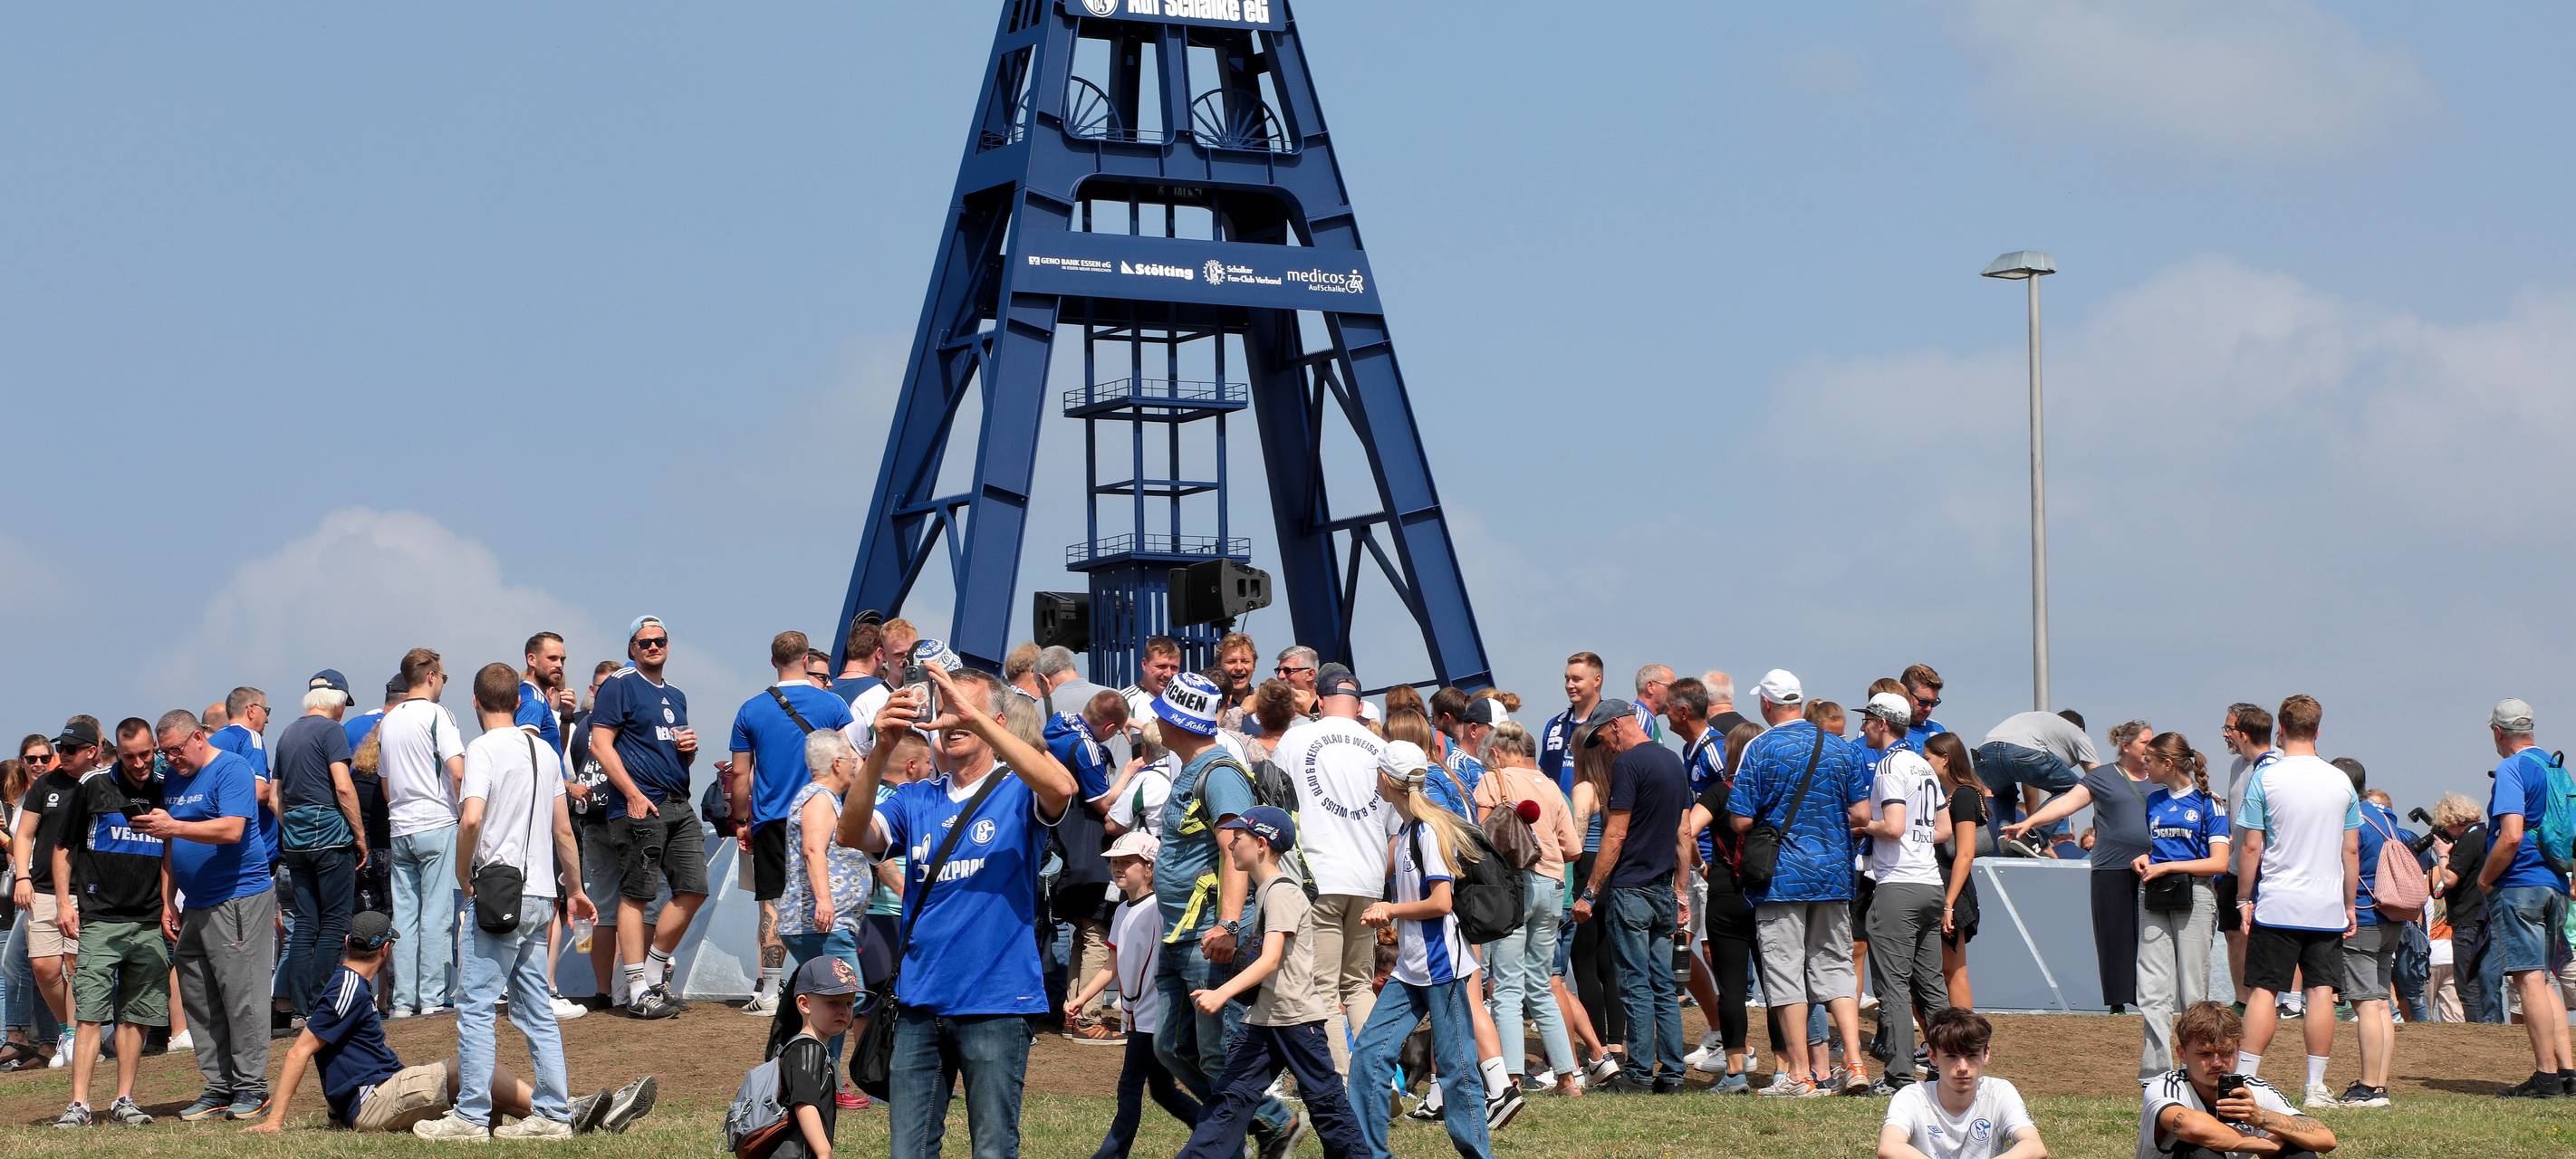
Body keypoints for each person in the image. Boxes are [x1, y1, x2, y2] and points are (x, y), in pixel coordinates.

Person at [839, 662, 1079, 1159]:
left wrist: (974, 715)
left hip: (995, 1002)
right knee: (909, 1150)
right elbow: (851, 833)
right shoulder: (914, 797)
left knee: (992, 1148)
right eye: (942, 711)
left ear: (996, 723)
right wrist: (880, 747)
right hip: (920, 1003)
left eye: (961, 712)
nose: (949, 722)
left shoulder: (1017, 788)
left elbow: (1062, 788)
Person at [246, 912, 654, 1136]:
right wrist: (275, 1122)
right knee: (473, 1069)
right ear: (386, 949)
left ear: (348, 944)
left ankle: (584, 1118)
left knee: (491, 1099)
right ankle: (570, 1110)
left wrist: (337, 1111)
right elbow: (300, 1050)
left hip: (371, 1097)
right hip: (374, 1100)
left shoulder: (350, 984)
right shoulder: (348, 988)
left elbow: (337, 1058)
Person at [411, 662, 596, 1140]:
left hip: (495, 895)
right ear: (518, 702)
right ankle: (553, 1113)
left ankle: (471, 1115)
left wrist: (462, 872)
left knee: (473, 1004)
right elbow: (562, 830)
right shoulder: (544, 751)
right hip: (540, 894)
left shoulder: (481, 749)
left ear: (475, 703)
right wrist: (574, 890)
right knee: (535, 1007)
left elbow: (471, 818)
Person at [1170, 806, 1359, 1157]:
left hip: (1297, 1020)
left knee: (1326, 1105)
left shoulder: (1282, 892)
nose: (1230, 845)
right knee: (1231, 1096)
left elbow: (1270, 959)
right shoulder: (1267, 892)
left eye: (1237, 838)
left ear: (1260, 844)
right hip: (1265, 1018)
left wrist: (1222, 993)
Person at [1349, 742, 1497, 1159]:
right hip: (1411, 968)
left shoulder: (1429, 830)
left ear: (1386, 779)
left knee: (1457, 1071)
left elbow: (1441, 903)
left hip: (1442, 966)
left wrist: (1389, 909)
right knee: (1368, 1057)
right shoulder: (1408, 828)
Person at [1727, 669, 1870, 1096]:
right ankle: (1856, 1063)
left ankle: (1800, 1074)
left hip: (1781, 878)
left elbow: (1741, 819)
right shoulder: (1840, 748)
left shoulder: (1760, 747)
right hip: (1833, 874)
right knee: (1836, 968)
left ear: (1767, 704)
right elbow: (1862, 815)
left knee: (1785, 972)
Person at [140, 708, 276, 1122]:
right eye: (164, 754)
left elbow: (232, 829)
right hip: (195, 904)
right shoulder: (175, 779)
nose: (170, 760)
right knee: (200, 998)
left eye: (175, 750)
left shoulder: (231, 769)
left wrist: (175, 828)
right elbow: (170, 848)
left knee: (241, 996)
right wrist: (168, 900)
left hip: (238, 899)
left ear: (198, 737)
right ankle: (219, 1087)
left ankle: (252, 1088)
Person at [2229, 694, 2358, 1109]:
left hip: (2279, 900)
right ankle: (2316, 1086)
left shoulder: (2264, 779)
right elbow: (2350, 851)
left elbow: (2251, 847)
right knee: (2322, 993)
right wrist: (2349, 905)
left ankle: (2246, 1077)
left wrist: (2244, 898)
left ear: (2280, 730)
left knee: (2264, 990)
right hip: (2325, 904)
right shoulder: (2341, 781)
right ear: (2319, 730)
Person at [1266, 662, 1391, 1075]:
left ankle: (1342, 1082)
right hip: (1368, 879)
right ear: (1357, 705)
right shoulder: (1381, 750)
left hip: (1317, 876)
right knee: (1358, 985)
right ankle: (1381, 1081)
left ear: (1319, 700)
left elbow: (1279, 806)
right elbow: (1392, 827)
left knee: (1322, 987)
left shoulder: (1297, 739)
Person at [730, 631, 859, 1017]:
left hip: (771, 818)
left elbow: (740, 775)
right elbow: (850, 758)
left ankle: (770, 989)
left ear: (773, 662)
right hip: (823, 811)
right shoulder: (832, 704)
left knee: (772, 902)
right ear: (807, 660)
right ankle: (829, 979)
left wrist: (741, 819)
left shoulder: (750, 709)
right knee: (824, 894)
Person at [51, 717, 169, 1128]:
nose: (139, 764)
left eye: (145, 755)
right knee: (89, 1013)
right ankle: (79, 1104)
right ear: (116, 751)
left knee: (135, 1014)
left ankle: (124, 1099)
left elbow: (169, 851)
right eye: (130, 756)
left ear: (154, 748)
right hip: (100, 918)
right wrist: (65, 903)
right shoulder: (93, 786)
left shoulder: (163, 788)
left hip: (149, 919)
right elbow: (63, 848)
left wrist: (168, 905)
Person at [1572, 695, 1692, 1094]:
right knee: (1663, 984)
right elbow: (1683, 834)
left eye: (1602, 737)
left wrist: (1590, 891)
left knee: (1634, 983)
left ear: (1618, 725)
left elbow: (1616, 832)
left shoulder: (1628, 764)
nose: (1604, 747)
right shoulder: (1673, 761)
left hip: (1631, 890)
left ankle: (1639, 1074)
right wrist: (1680, 891)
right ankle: (1672, 1074)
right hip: (1662, 889)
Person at [592, 615, 707, 1019]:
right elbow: (600, 744)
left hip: (678, 802)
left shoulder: (675, 694)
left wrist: (689, 750)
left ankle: (653, 971)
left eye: (659, 640)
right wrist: (632, 794)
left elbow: (670, 747)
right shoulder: (620, 685)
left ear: (668, 645)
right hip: (640, 805)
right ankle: (636, 987)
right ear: (632, 649)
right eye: (644, 642)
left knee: (694, 889)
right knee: (635, 895)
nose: (653, 647)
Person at [2004, 719, 2156, 1012]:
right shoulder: (2103, 777)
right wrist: (2031, 821)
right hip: (2112, 867)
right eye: (2145, 742)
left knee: (2154, 935)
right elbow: (2067, 804)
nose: (2151, 747)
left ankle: (2151, 997)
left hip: (2156, 867)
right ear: (2126, 746)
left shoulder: (2160, 777)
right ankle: (2118, 1002)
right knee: (2114, 934)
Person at [1068, 831, 1198, 1159]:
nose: (1118, 868)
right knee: (1163, 1091)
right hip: (1139, 1017)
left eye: (1128, 862)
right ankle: (1222, 1134)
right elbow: (1112, 963)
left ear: (1151, 868)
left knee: (1131, 1088)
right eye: (1114, 862)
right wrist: (1082, 998)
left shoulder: (1160, 908)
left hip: (1157, 1017)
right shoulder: (1123, 910)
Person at [1471, 721, 1581, 1096]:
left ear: (1497, 753)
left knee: (1505, 986)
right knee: (1541, 985)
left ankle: (1512, 1076)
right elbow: (1573, 849)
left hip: (1514, 885)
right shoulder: (1551, 787)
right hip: (1552, 885)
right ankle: (1568, 1076)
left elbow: (1482, 835)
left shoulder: (1493, 780)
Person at [2475, 697, 2575, 1098]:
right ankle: (2568, 1072)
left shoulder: (2512, 768)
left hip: (2520, 884)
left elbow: (2511, 834)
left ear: (2498, 733)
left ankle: (2545, 1077)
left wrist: (2485, 879)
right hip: (2554, 882)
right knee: (2545, 978)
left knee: (2528, 977)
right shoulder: (2558, 769)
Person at [1856, 693, 1951, 1093]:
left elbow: (1892, 826)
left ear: (1881, 723)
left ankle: (1897, 1077)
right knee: (1932, 988)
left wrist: (1862, 826)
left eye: (1867, 721)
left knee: (1893, 986)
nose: (1862, 729)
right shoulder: (1924, 766)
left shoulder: (1889, 766)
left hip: (1898, 885)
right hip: (1930, 883)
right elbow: (1943, 831)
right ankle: (1951, 1066)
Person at [774, 730, 873, 1086]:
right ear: (837, 763)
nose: (855, 766)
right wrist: (825, 901)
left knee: (836, 1002)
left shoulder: (826, 799)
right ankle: (815, 1076)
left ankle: (817, 1077)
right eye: (851, 759)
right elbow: (813, 849)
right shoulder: (819, 799)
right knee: (845, 999)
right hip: (823, 923)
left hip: (826, 922)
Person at [2133, 733, 2231, 1080]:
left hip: (2196, 897)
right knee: (2152, 987)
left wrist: (2170, 866)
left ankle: (2197, 1067)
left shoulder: (2210, 803)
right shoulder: (2154, 801)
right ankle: (2156, 1070)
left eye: (2150, 760)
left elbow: (2219, 862)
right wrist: (2147, 859)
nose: (2144, 765)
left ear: (2167, 764)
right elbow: (2159, 848)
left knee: (2192, 990)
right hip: (2155, 893)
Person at [1681, 720, 1768, 1092]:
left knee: (1731, 986)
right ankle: (1785, 1069)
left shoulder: (1720, 791)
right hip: (1768, 892)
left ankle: (1735, 1071)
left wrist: (1701, 865)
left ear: (1731, 753)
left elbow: (1686, 829)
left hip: (1724, 890)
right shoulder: (1771, 792)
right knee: (1778, 985)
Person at [1042, 688, 1132, 1045]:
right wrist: (1129, 772)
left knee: (1083, 933)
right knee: (1098, 935)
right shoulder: (1090, 748)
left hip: (1064, 851)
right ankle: (1087, 1017)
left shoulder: (1060, 726)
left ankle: (1073, 1012)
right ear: (1109, 726)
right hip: (1088, 856)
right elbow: (1104, 806)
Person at [379, 647, 466, 1018]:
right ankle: (432, 998)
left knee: (405, 915)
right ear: (431, 676)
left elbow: (384, 782)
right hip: (436, 820)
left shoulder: (390, 719)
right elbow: (458, 770)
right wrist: (465, 813)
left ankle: (402, 1000)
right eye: (443, 677)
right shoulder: (437, 714)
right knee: (437, 912)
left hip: (400, 824)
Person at [274, 675, 367, 1017]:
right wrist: (359, 835)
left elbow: (275, 797)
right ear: (338, 700)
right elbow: (343, 787)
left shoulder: (287, 733)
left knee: (305, 923)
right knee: (334, 921)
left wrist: (292, 830)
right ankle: (321, 1003)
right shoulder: (331, 732)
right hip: (329, 834)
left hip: (295, 839)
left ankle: (300, 1007)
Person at [2139, 1001, 2338, 1158]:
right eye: (2205, 1054)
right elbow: (2191, 1126)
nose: (2217, 1063)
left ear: (2238, 1049)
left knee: (2296, 1148)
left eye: (2226, 1053)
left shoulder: (2256, 1091)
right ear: (2182, 1054)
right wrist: (2262, 1144)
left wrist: (2261, 1117)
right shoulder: (2165, 1086)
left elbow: (2326, 1139)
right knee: (2198, 1148)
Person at [1876, 1008, 2042, 1159]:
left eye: (1971, 1056)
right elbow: (1890, 1147)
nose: (1962, 1067)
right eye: (1952, 1056)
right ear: (1932, 1056)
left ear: (1986, 1054)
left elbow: (2034, 1146)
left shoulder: (1999, 1092)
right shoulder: (1912, 1096)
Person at [10, 733, 80, 1069]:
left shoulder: (98, 782)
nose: (41, 763)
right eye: (31, 758)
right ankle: (70, 1030)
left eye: (47, 756)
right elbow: (23, 835)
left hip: (84, 888)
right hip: (41, 888)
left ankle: (79, 1035)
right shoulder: (44, 787)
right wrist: (22, 877)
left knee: (74, 966)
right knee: (43, 966)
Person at [2216, 703, 2281, 1010]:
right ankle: (2242, 999)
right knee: (2234, 934)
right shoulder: (2236, 766)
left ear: (2244, 733)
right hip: (2235, 865)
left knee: (2268, 935)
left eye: (2229, 729)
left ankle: (2278, 1001)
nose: (2224, 735)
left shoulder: (2274, 765)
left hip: (2265, 867)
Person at [767, 954, 861, 1159]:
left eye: (848, 1003)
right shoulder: (808, 1049)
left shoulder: (807, 1047)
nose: (843, 1011)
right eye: (833, 1003)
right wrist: (823, 1152)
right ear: (804, 1004)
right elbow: (805, 1104)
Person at [1924, 733, 1986, 1012]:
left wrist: (1948, 904)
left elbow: (1965, 853)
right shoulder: (1949, 795)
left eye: (1928, 759)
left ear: (1945, 759)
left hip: (1953, 893)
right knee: (1943, 970)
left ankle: (1968, 1039)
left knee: (1954, 971)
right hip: (1944, 889)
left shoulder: (1963, 796)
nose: (1924, 764)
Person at [1975, 709, 2098, 842]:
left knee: (2004, 795)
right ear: (2080, 728)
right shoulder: (2078, 734)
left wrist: (2030, 821)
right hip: (2021, 751)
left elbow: (2028, 781)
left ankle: (2006, 834)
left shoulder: (2043, 727)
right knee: (2075, 791)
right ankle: (2034, 837)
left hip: (1984, 753)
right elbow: (2098, 782)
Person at [2422, 791, 2493, 1022]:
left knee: (2466, 981)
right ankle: (2489, 1024)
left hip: (2467, 920)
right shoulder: (2485, 835)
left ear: (2453, 821)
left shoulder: (2470, 839)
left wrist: (2442, 855)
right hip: (2483, 917)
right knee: (2482, 979)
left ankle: (2478, 1028)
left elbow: (2450, 879)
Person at [1542, 652, 1607, 797]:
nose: (1569, 685)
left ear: (1597, 680)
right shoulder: (1554, 725)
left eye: (1576, 679)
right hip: (1557, 813)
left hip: (1596, 813)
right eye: (1567, 679)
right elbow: (1544, 772)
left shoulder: (1609, 725)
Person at [1120, 636, 1185, 725]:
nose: (1168, 674)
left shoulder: (1184, 703)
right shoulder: (1124, 703)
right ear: (1144, 664)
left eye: (1174, 668)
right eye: (1161, 666)